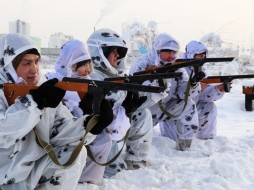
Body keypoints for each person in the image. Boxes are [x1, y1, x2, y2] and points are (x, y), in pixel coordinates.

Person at [0, 34, 113, 189]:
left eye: (37, 61)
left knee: (75, 154)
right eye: (27, 63)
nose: (34, 69)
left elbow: (59, 130)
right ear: (9, 65)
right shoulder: (6, 92)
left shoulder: (42, 87)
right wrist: (33, 103)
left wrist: (90, 125)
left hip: (30, 173)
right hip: (3, 177)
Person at [87, 28, 152, 177]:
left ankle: (137, 159)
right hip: (98, 134)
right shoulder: (91, 76)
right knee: (114, 172)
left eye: (119, 52)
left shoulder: (116, 75)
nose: (117, 55)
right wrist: (122, 110)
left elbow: (144, 100)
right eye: (113, 51)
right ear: (100, 53)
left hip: (116, 126)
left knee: (143, 114)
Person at [46, 39, 112, 184]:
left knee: (104, 138)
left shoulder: (88, 83)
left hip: (79, 137)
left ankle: (89, 182)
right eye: (82, 65)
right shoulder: (53, 82)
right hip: (58, 142)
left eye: (89, 63)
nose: (88, 69)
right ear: (70, 65)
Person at [129, 33, 201, 151]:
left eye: (174, 53)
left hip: (166, 106)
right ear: (158, 51)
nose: (172, 56)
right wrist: (155, 78)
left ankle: (185, 146)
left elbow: (183, 94)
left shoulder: (177, 66)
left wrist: (193, 83)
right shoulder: (142, 63)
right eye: (168, 52)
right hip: (146, 109)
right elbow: (133, 90)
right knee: (138, 139)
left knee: (189, 105)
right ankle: (137, 157)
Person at [182, 40, 225, 139]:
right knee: (172, 143)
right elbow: (176, 94)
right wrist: (194, 86)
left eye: (204, 56)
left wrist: (217, 89)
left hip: (193, 104)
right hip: (177, 108)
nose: (203, 58)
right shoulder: (181, 69)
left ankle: (206, 140)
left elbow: (202, 95)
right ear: (191, 55)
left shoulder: (201, 70)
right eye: (200, 56)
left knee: (209, 106)